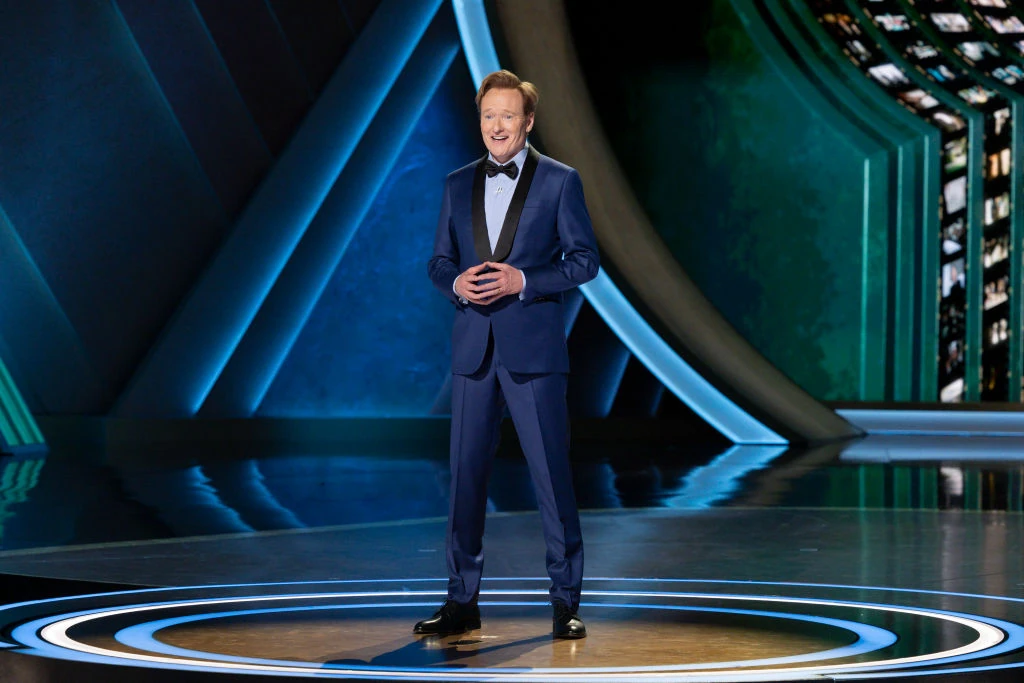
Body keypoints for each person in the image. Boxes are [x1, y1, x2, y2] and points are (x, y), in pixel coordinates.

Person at [418, 69, 600, 639]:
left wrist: (525, 280)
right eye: (488, 115)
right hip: (473, 351)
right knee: (465, 481)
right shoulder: (457, 184)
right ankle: (461, 601)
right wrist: (455, 283)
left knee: (551, 478)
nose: (497, 126)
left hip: (533, 353)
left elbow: (584, 261)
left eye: (508, 116)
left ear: (528, 121)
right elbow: (439, 262)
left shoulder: (560, 181)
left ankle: (565, 603)